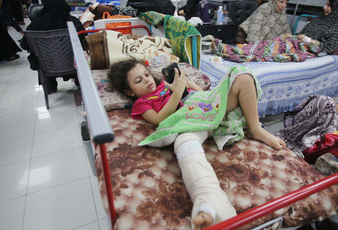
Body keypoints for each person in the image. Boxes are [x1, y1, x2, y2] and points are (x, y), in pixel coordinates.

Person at [108, 59, 286, 229]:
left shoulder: (166, 84)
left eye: (146, 75)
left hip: (206, 107)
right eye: (139, 80)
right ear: (130, 91)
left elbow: (200, 92)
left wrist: (184, 83)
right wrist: (176, 93)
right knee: (186, 147)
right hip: (188, 121)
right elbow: (158, 119)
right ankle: (210, 207)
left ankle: (255, 128)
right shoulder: (141, 103)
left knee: (243, 76)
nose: (147, 80)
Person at [20, 0, 84, 92]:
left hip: (47, 65)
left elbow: (24, 45)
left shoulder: (34, 25)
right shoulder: (73, 22)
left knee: (40, 56)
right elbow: (85, 41)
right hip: (73, 63)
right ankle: (79, 81)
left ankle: (51, 86)